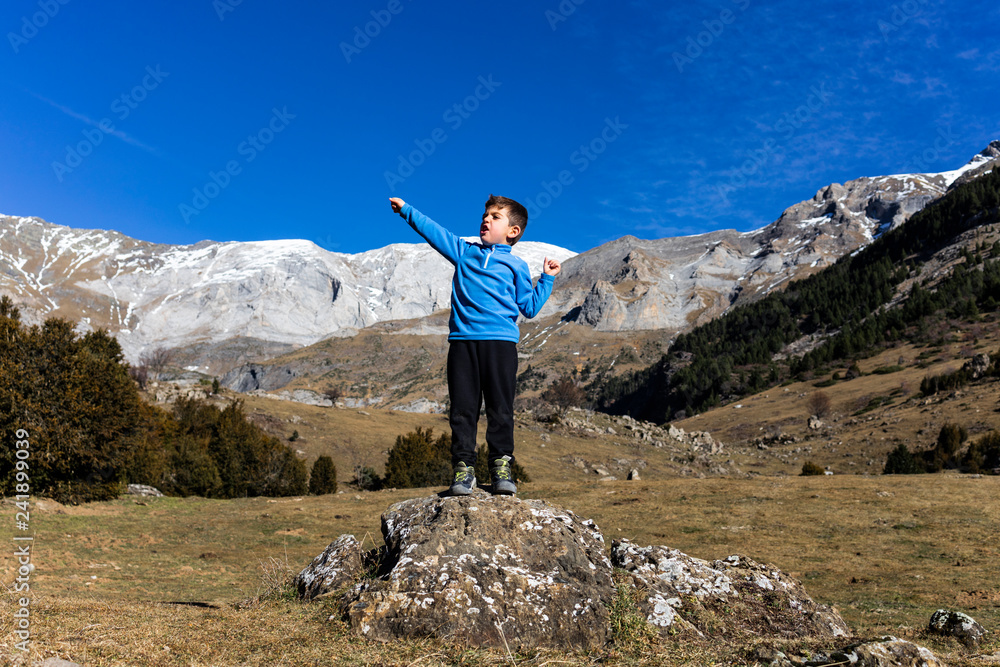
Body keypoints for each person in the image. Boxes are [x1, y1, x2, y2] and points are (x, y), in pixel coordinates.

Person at [389, 194, 561, 496]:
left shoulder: (517, 266)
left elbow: (530, 307)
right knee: (462, 410)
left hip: (501, 345)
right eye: (485, 215)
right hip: (462, 344)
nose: (486, 219)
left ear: (513, 231)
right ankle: (463, 468)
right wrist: (407, 210)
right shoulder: (463, 251)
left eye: (495, 216)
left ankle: (501, 466)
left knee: (500, 410)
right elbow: (434, 232)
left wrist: (546, 279)